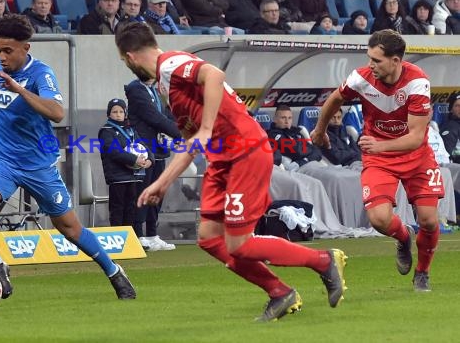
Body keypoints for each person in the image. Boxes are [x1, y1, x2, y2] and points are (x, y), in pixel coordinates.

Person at [115, 22, 347, 321]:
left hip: (245, 151)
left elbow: (214, 74)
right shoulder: (165, 85)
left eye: (124, 61)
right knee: (210, 239)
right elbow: (191, 142)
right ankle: (280, 292)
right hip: (222, 160)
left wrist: (208, 128)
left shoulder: (172, 64)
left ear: (130, 57)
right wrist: (163, 181)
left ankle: (322, 260)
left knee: (239, 243)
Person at [0, 14, 136, 300]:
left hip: (39, 166)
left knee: (70, 229)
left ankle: (113, 271)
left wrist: (19, 90)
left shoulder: (40, 74)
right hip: (4, 162)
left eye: (8, 50)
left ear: (26, 49)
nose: (2, 56)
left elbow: (57, 113)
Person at [311, 29, 443, 292]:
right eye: (369, 58)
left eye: (377, 60)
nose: (370, 65)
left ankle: (422, 272)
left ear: (396, 61)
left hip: (416, 157)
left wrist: (380, 145)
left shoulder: (418, 82)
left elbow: (416, 137)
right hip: (379, 158)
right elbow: (335, 99)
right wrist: (320, 129)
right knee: (379, 219)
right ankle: (403, 237)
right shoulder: (360, 78)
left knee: (429, 220)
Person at [124, 77, 181, 251]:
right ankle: (138, 234)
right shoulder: (136, 88)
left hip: (159, 149)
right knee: (143, 191)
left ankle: (152, 233)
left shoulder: (156, 90)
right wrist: (180, 133)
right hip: (144, 150)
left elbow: (164, 114)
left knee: (157, 192)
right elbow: (153, 117)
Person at [98, 98, 153, 227]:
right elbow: (114, 151)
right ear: (108, 114)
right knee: (118, 209)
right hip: (118, 177)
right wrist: (134, 160)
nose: (118, 115)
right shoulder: (106, 131)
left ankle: (130, 239)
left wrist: (150, 159)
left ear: (125, 113)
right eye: (114, 112)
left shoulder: (131, 130)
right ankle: (117, 238)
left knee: (131, 209)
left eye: (121, 112)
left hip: (133, 176)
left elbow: (143, 145)